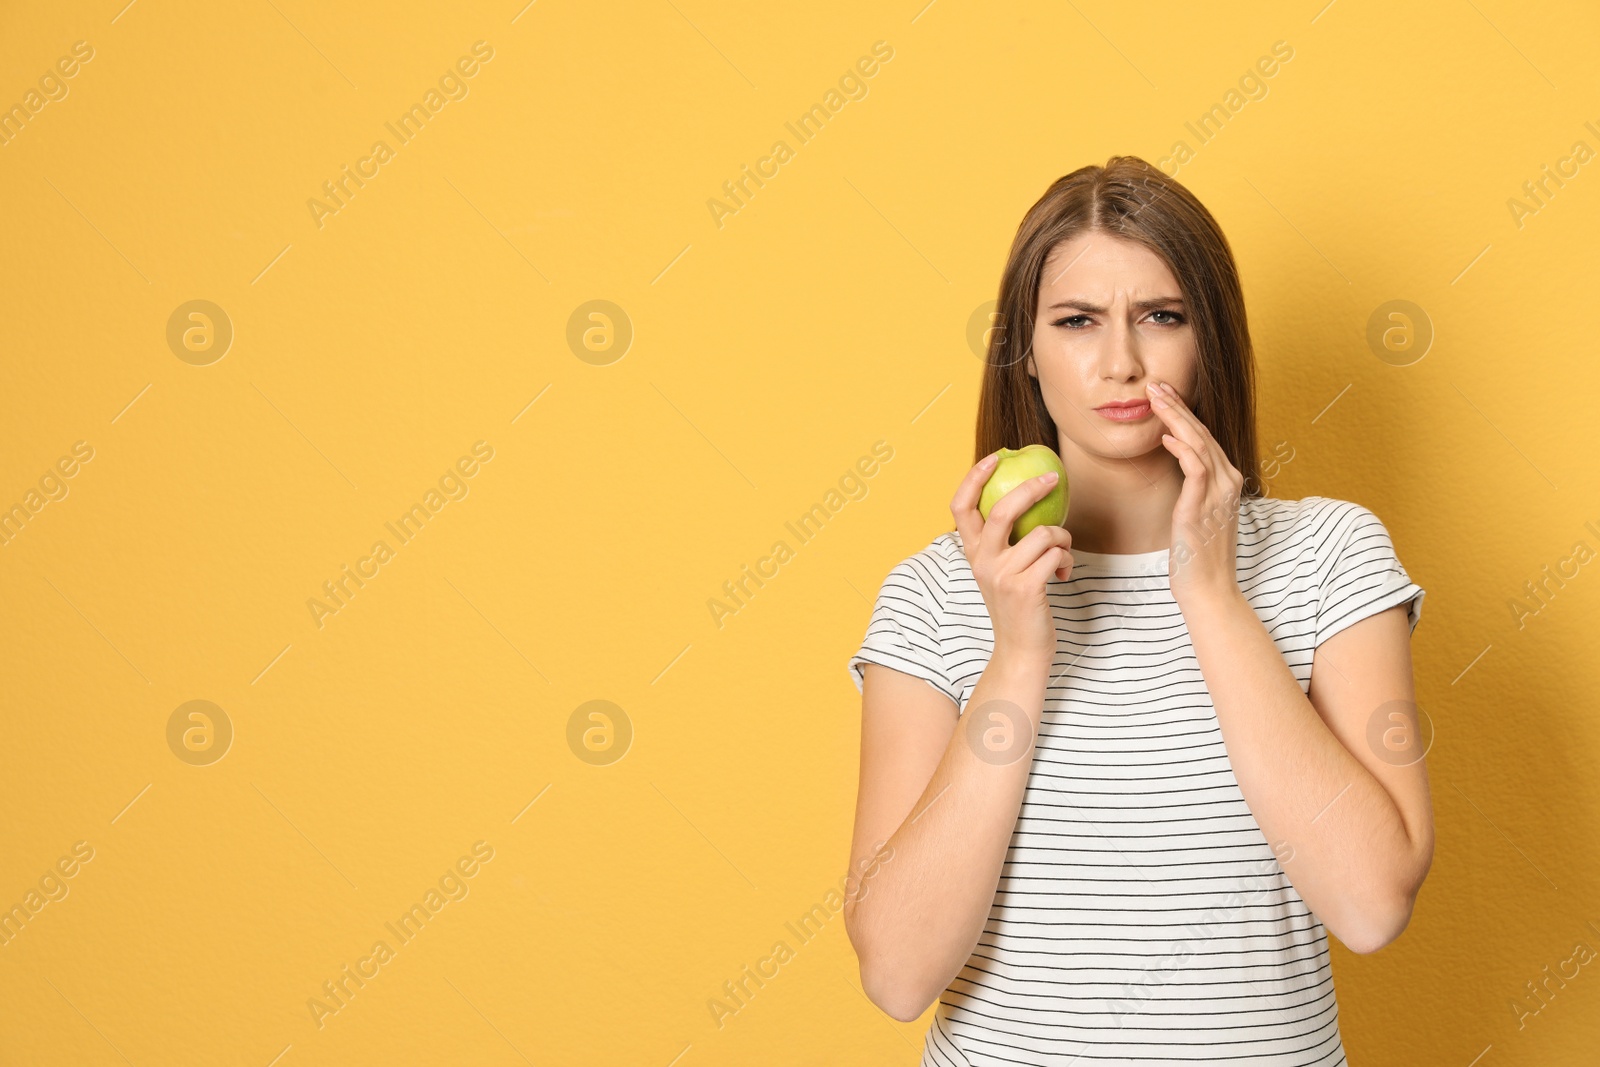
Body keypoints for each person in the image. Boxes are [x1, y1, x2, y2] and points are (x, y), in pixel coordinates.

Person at [843, 156, 1432, 1066]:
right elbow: (897, 972)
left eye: (1161, 316)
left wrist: (1211, 596)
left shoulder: (1329, 556)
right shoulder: (933, 594)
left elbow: (1370, 904)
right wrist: (1017, 656)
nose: (1121, 361)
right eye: (1076, 321)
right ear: (1026, 354)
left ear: (1212, 341)